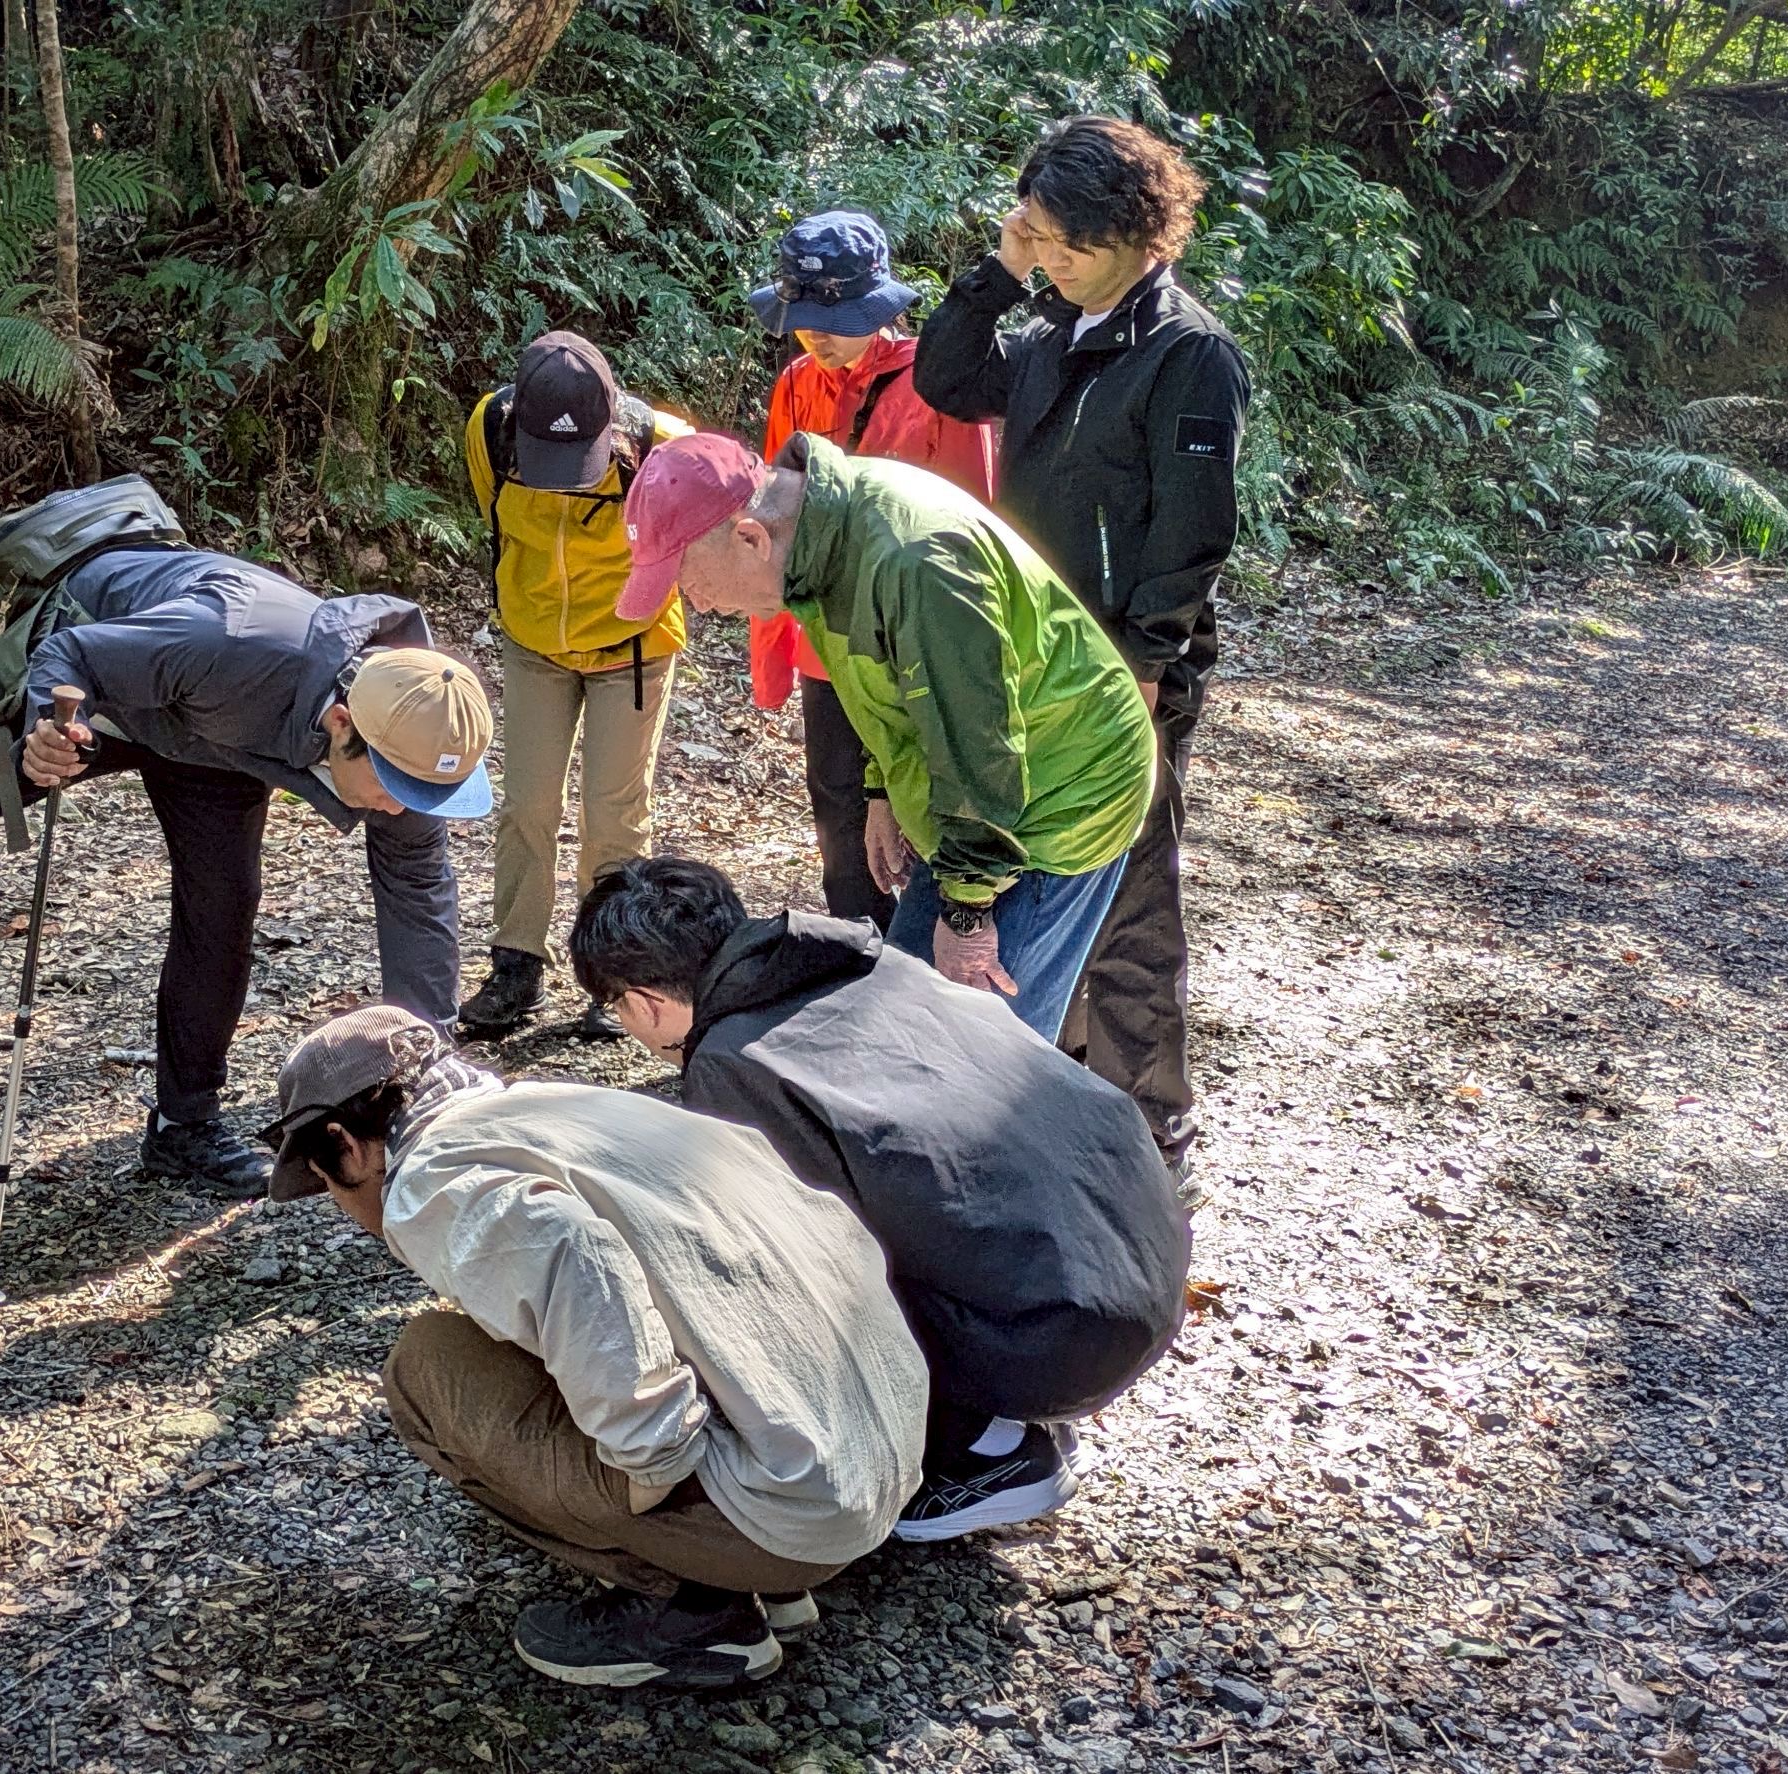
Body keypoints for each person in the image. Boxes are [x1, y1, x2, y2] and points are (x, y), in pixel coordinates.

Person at [0, 513, 493, 1196]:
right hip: (111, 694)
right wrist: (50, 728)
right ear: (343, 724)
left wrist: (419, 1065)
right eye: (394, 788)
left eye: (422, 795)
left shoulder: (412, 734)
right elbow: (73, 652)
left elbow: (418, 902)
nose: (402, 810)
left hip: (216, 743)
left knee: (222, 908)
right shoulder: (232, 641)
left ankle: (182, 1127)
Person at [263, 1006, 926, 1690]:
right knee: (526, 1330)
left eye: (326, 1184)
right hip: (874, 1457)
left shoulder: (428, 1177)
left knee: (427, 1367)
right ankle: (751, 1561)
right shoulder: (558, 1108)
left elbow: (574, 1249)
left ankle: (691, 1609)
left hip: (790, 1512)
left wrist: (653, 1458)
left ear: (345, 1145)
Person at [569, 856, 1189, 1541]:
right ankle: (1011, 1401)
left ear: (643, 1000)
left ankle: (984, 1447)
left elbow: (785, 1261)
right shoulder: (864, 961)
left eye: (615, 1007)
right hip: (1141, 1259)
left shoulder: (732, 1060)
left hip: (1055, 1333)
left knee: (752, 1272)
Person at [914, 115, 1250, 1177]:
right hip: (1029, 656)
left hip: (1122, 670)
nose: (1048, 257)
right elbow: (942, 377)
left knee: (1132, 890)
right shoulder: (1052, 332)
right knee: (1034, 867)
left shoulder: (1185, 353)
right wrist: (1000, 269)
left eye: (1064, 240)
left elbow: (1192, 533)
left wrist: (1147, 666)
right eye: (1038, 236)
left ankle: (1152, 1122)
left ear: (1134, 230)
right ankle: (1053, 1091)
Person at [613, 430, 1154, 1042]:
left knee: (983, 1057)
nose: (700, 605)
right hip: (974, 792)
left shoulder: (912, 560)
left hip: (1058, 794)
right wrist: (882, 788)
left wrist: (969, 913)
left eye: (690, 580)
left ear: (749, 536)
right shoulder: (815, 536)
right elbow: (894, 683)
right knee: (902, 1025)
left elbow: (983, 745)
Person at [746, 211, 997, 930]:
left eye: (834, 317)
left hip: (911, 636)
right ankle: (860, 965)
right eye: (804, 318)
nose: (816, 333)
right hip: (823, 640)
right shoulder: (795, 382)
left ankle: (929, 957)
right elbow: (771, 514)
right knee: (837, 811)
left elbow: (973, 519)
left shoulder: (936, 383)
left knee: (920, 802)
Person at [455, 331, 692, 1039]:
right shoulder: (489, 428)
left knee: (613, 814)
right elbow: (492, 513)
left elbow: (686, 539)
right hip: (535, 641)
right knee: (526, 804)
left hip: (632, 646)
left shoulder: (663, 444)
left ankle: (614, 969)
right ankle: (516, 964)